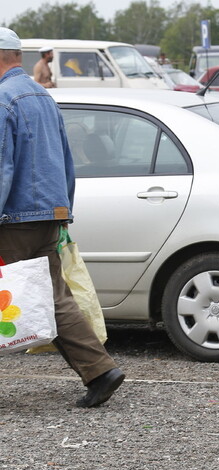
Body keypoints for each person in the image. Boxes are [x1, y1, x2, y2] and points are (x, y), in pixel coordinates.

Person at [0, 28, 125, 406]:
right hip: (48, 215)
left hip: (16, 219)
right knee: (53, 298)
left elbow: (2, 170)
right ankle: (101, 371)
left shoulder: (4, 101)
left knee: (42, 297)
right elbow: (66, 162)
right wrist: (63, 214)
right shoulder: (43, 96)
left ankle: (101, 371)